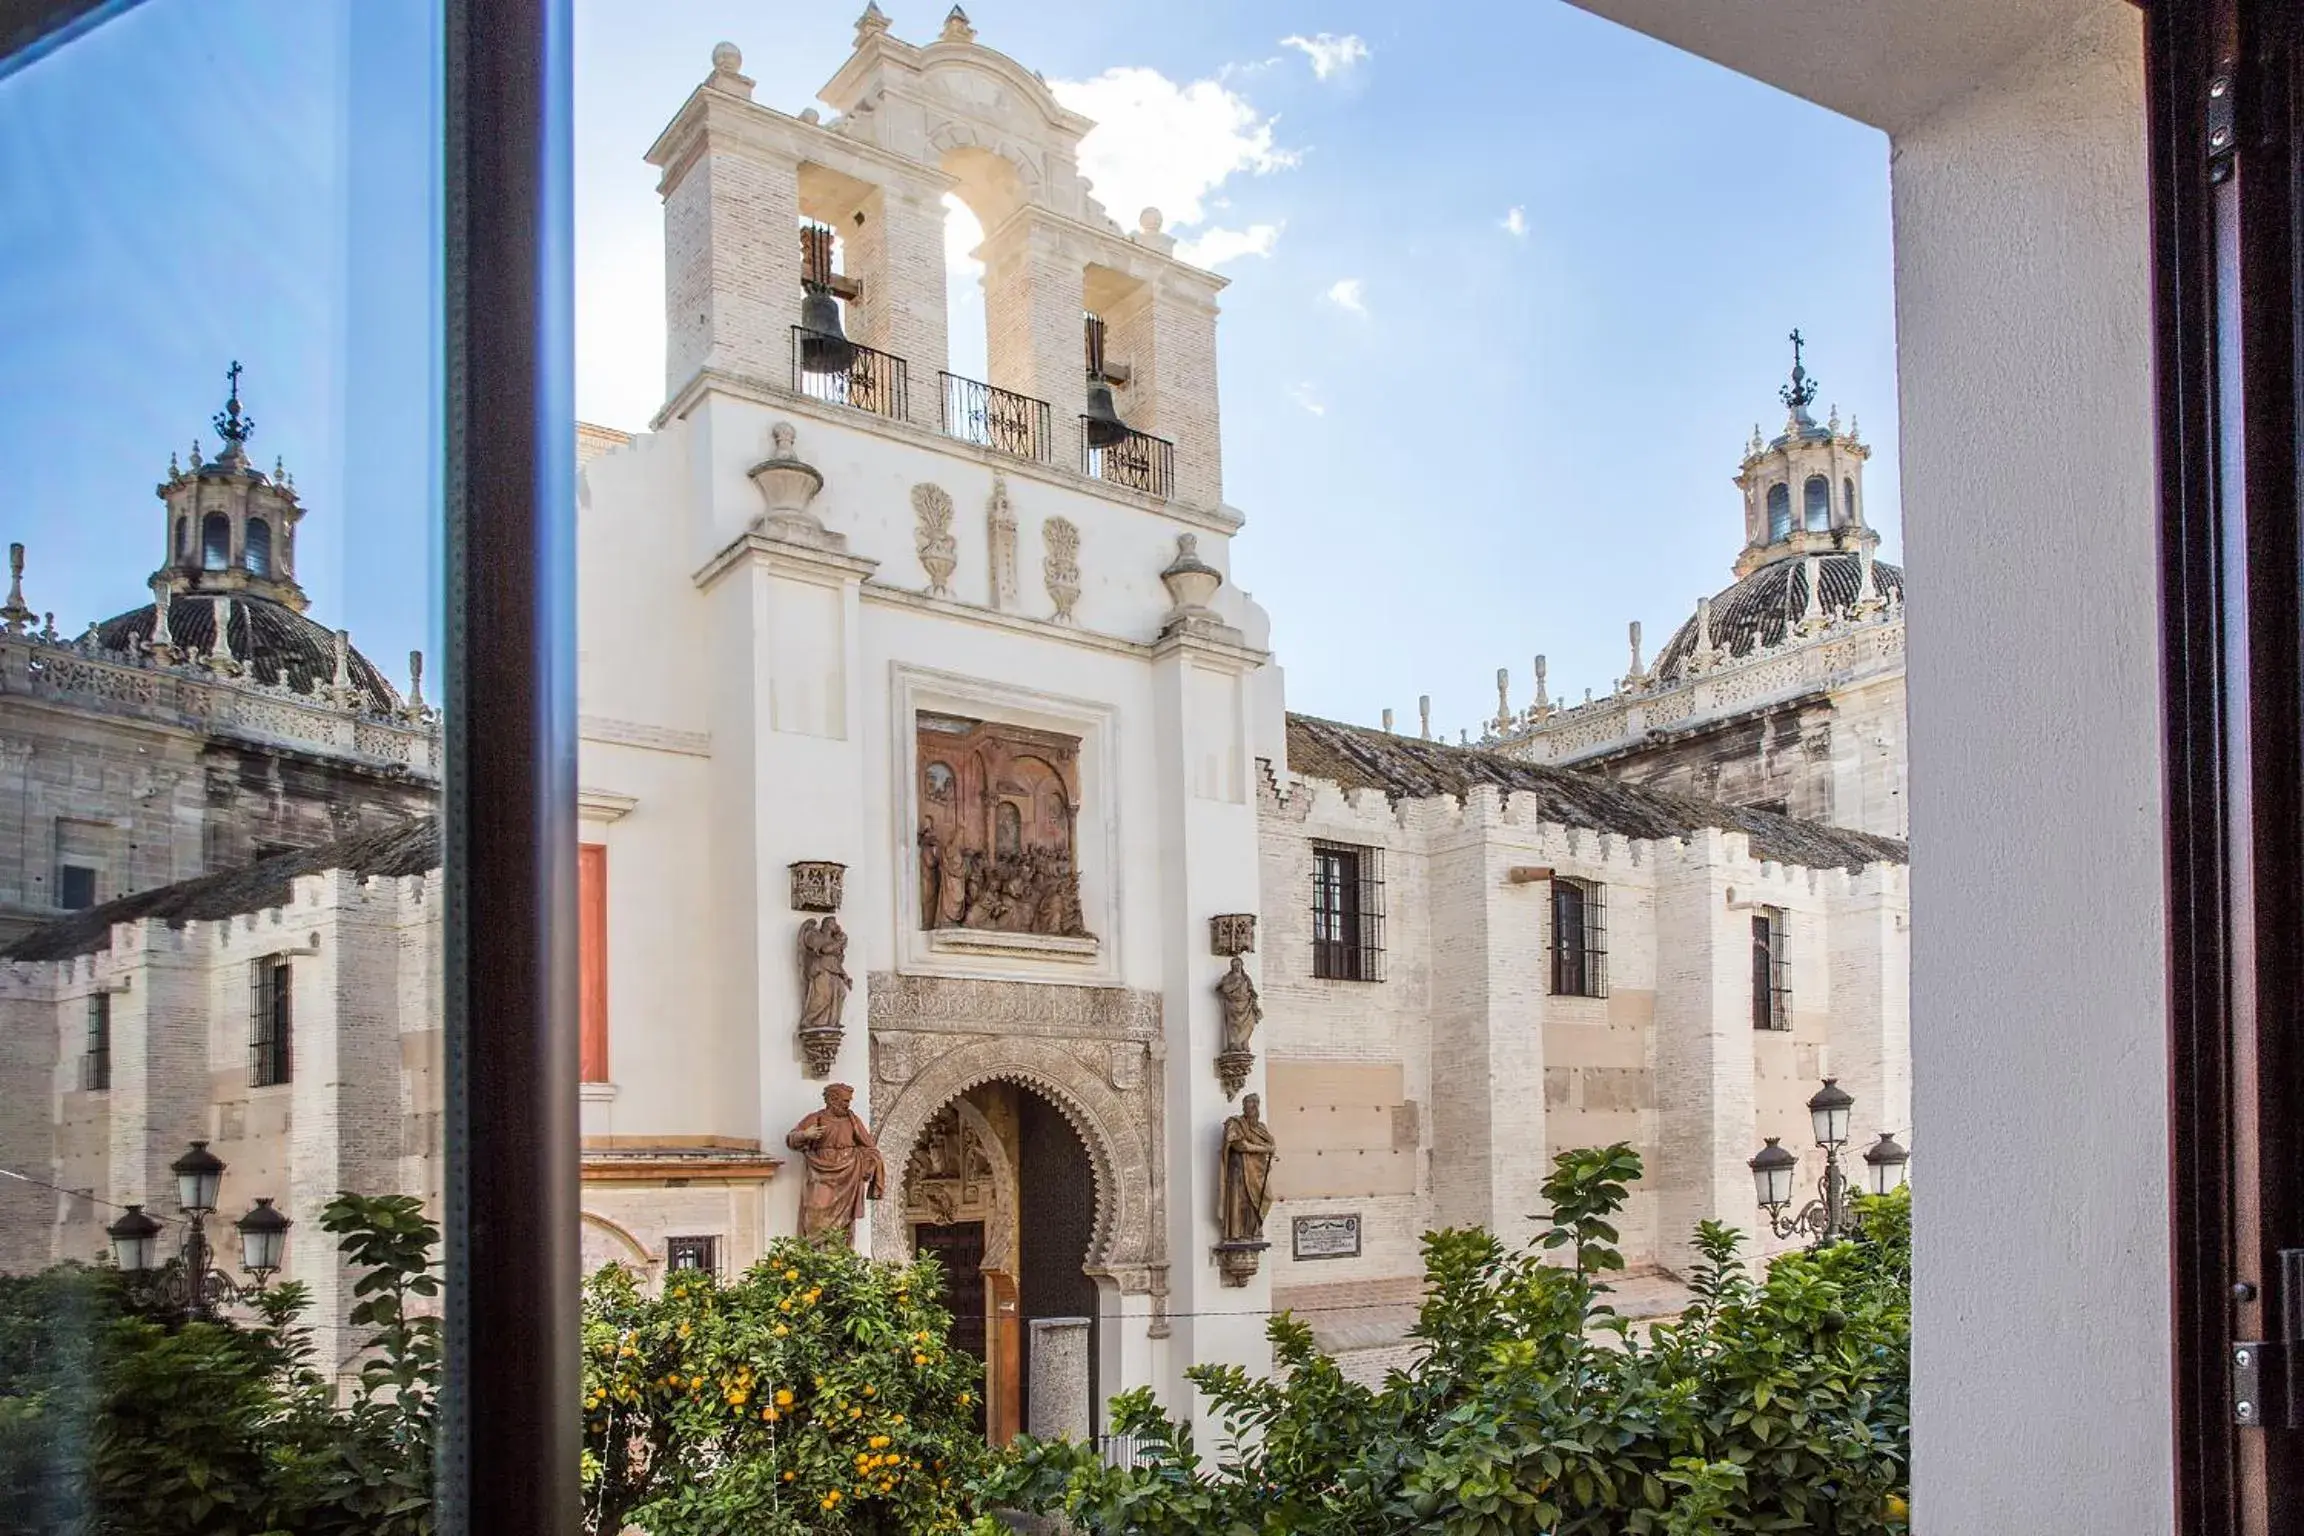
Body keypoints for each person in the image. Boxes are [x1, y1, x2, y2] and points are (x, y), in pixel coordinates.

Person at [785, 1083, 885, 1246]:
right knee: (816, 1210)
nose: (848, 1105)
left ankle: (840, 1253)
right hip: (820, 1172)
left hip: (848, 1175)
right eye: (845, 1101)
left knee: (844, 1220)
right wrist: (805, 1135)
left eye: (849, 1101)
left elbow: (870, 1148)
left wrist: (867, 1163)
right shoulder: (816, 1118)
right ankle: (815, 1251)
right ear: (832, 1099)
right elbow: (791, 1140)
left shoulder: (852, 1120)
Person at [1218, 1093, 1278, 1245]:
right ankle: (1238, 1234)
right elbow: (1241, 1145)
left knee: (1264, 1198)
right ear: (1244, 1107)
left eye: (1255, 1105)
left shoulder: (1261, 1127)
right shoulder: (1235, 1123)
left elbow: (1271, 1144)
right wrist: (1264, 1149)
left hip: (1258, 1171)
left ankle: (1253, 1231)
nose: (1253, 1108)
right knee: (1241, 1201)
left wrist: (1269, 1148)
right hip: (1239, 1170)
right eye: (1249, 1105)